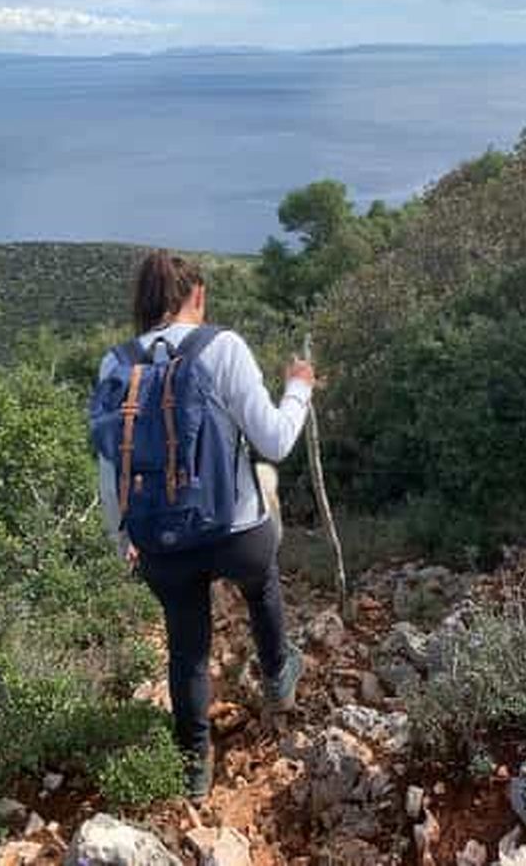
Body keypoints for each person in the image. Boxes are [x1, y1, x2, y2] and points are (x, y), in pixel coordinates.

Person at [96, 250, 315, 802]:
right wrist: (300, 388)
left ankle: (194, 769)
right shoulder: (224, 346)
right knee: (261, 582)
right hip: (236, 533)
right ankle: (277, 676)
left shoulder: (115, 364)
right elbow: (275, 442)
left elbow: (110, 464)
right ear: (197, 296)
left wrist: (122, 537)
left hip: (161, 543)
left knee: (187, 650)